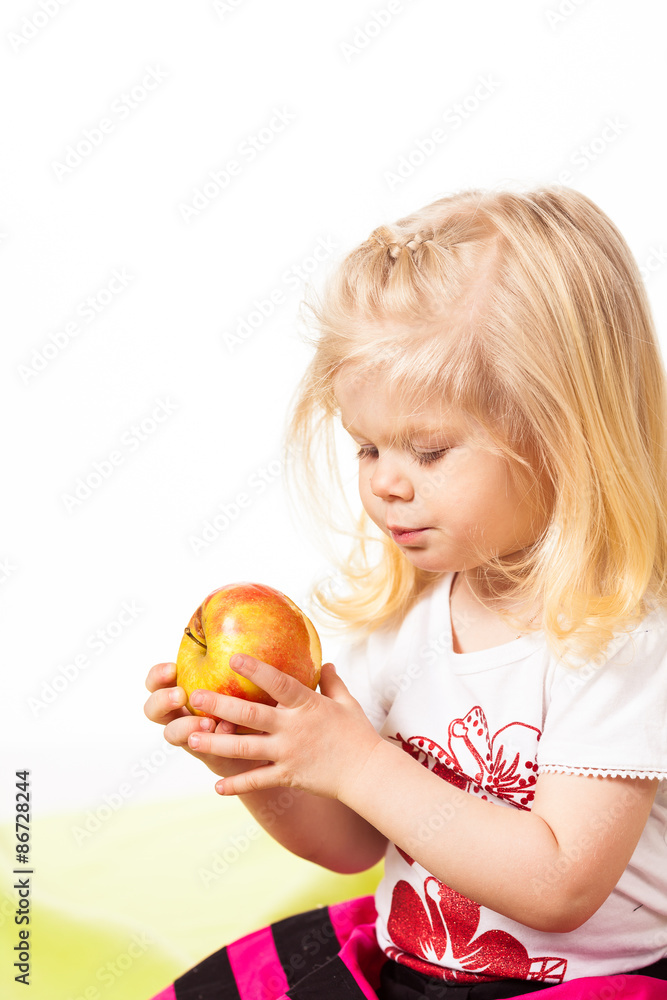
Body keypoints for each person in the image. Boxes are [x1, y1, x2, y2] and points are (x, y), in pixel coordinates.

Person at [145, 186, 667, 1000]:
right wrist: (257, 753)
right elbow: (354, 844)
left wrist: (357, 763)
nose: (386, 484)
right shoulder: (410, 620)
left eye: (427, 451)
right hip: (413, 969)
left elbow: (560, 883)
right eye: (366, 448)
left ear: (564, 438)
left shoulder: (616, 636)